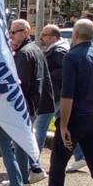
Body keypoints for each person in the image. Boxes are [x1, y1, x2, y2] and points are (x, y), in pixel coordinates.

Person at [29, 19, 93, 186]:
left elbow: (68, 95)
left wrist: (64, 125)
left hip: (76, 118)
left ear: (75, 34)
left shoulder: (72, 57)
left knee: (58, 164)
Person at [8, 19, 53, 186]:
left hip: (25, 105)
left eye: (15, 32)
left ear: (26, 32)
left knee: (20, 143)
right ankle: (31, 171)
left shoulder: (25, 53)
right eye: (10, 32)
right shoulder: (34, 48)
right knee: (23, 140)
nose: (11, 35)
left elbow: (21, 84)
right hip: (35, 103)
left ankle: (23, 178)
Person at [35, 25, 69, 158]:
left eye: (44, 35)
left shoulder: (59, 51)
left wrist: (46, 74)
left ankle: (33, 158)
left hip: (54, 95)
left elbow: (64, 73)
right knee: (64, 124)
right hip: (57, 94)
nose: (41, 37)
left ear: (53, 37)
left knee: (41, 124)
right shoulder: (56, 49)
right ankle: (80, 155)